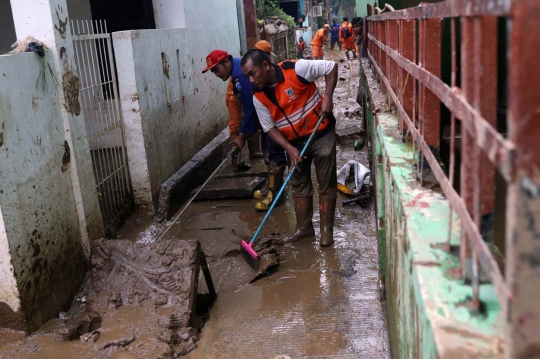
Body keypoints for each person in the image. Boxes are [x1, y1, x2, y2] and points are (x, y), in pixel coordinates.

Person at [241, 50, 339, 247]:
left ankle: (326, 232)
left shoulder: (296, 69)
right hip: (293, 143)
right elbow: (269, 127)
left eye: (253, 73)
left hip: (320, 132)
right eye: (247, 76)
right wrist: (288, 148)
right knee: (299, 184)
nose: (250, 80)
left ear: (266, 66)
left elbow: (331, 67)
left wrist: (327, 97)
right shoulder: (258, 97)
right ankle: (304, 228)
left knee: (325, 181)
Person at [203, 50, 262, 166]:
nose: (217, 74)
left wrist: (240, 138)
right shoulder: (236, 66)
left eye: (217, 70)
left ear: (226, 62)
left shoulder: (239, 74)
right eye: (213, 72)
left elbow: (250, 108)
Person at [251, 40, 287, 211]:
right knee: (271, 158)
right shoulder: (254, 74)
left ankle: (275, 195)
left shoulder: (272, 75)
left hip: (275, 122)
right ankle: (273, 190)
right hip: (267, 122)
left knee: (276, 158)